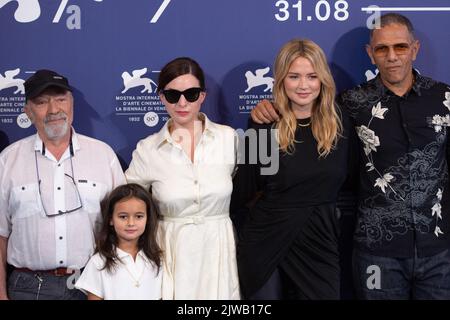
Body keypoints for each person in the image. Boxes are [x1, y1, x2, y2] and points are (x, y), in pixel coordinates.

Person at [251, 13, 450, 299]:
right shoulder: (349, 104)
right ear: (371, 54)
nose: (392, 56)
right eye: (382, 49)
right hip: (376, 252)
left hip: (438, 251)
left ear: (414, 49)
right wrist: (267, 111)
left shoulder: (444, 98)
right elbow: (304, 110)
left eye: (401, 47)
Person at [232, 39, 353, 299]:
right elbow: (245, 187)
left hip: (320, 240)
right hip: (266, 241)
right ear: (281, 80)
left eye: (312, 76)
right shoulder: (265, 125)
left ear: (322, 80)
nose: (303, 85)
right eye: (294, 76)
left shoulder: (340, 124)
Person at [0, 70, 126, 300]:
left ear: (72, 104)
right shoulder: (8, 160)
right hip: (26, 288)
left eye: (60, 99)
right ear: (28, 111)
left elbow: (124, 230)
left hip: (91, 285)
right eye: (41, 102)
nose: (53, 110)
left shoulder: (103, 155)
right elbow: (0, 235)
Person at [125, 57, 240, 299]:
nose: (182, 102)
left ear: (202, 96)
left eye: (191, 93)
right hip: (171, 250)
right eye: (172, 95)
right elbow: (125, 204)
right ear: (161, 97)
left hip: (218, 247)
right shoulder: (147, 150)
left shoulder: (229, 139)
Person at [75, 183, 162, 300]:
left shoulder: (157, 259)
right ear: (111, 219)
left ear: (147, 219)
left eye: (139, 216)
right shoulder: (99, 262)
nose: (131, 223)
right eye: (123, 216)